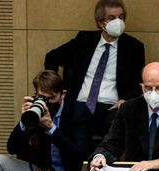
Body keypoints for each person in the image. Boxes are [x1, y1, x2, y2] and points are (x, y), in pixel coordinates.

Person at [44, 0, 145, 138]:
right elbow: (52, 57)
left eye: (121, 17)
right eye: (111, 18)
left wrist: (125, 100)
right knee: (77, 129)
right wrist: (56, 91)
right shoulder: (84, 40)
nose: (118, 21)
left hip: (111, 107)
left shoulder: (134, 47)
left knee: (118, 125)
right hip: (79, 103)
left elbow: (140, 83)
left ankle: (101, 158)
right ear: (100, 23)